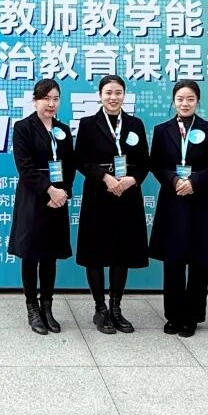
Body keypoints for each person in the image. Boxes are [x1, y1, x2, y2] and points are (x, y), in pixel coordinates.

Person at [73, 75, 149, 334]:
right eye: (108, 92)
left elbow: (144, 161)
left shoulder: (135, 124)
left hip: (127, 195)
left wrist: (132, 180)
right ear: (100, 95)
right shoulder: (88, 124)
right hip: (98, 194)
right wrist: (105, 177)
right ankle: (100, 309)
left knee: (122, 252)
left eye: (118, 92)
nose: (113, 97)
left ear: (124, 95)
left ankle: (116, 308)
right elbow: (80, 160)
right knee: (95, 253)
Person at [148, 80, 208, 338]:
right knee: (174, 260)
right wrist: (173, 180)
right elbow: (156, 164)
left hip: (199, 200)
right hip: (172, 199)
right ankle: (173, 315)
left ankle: (192, 316)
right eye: (180, 99)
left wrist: (195, 182)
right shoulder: (162, 130)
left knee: (199, 260)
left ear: (197, 101)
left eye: (190, 99)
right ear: (174, 101)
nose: (185, 103)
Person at [8, 78, 75, 335]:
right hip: (33, 197)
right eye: (46, 98)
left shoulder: (63, 130)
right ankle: (32, 308)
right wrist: (49, 189)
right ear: (35, 100)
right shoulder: (23, 128)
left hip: (58, 199)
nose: (51, 104)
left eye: (55, 99)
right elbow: (24, 167)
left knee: (50, 255)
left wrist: (63, 192)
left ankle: (47, 306)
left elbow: (70, 165)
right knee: (31, 255)